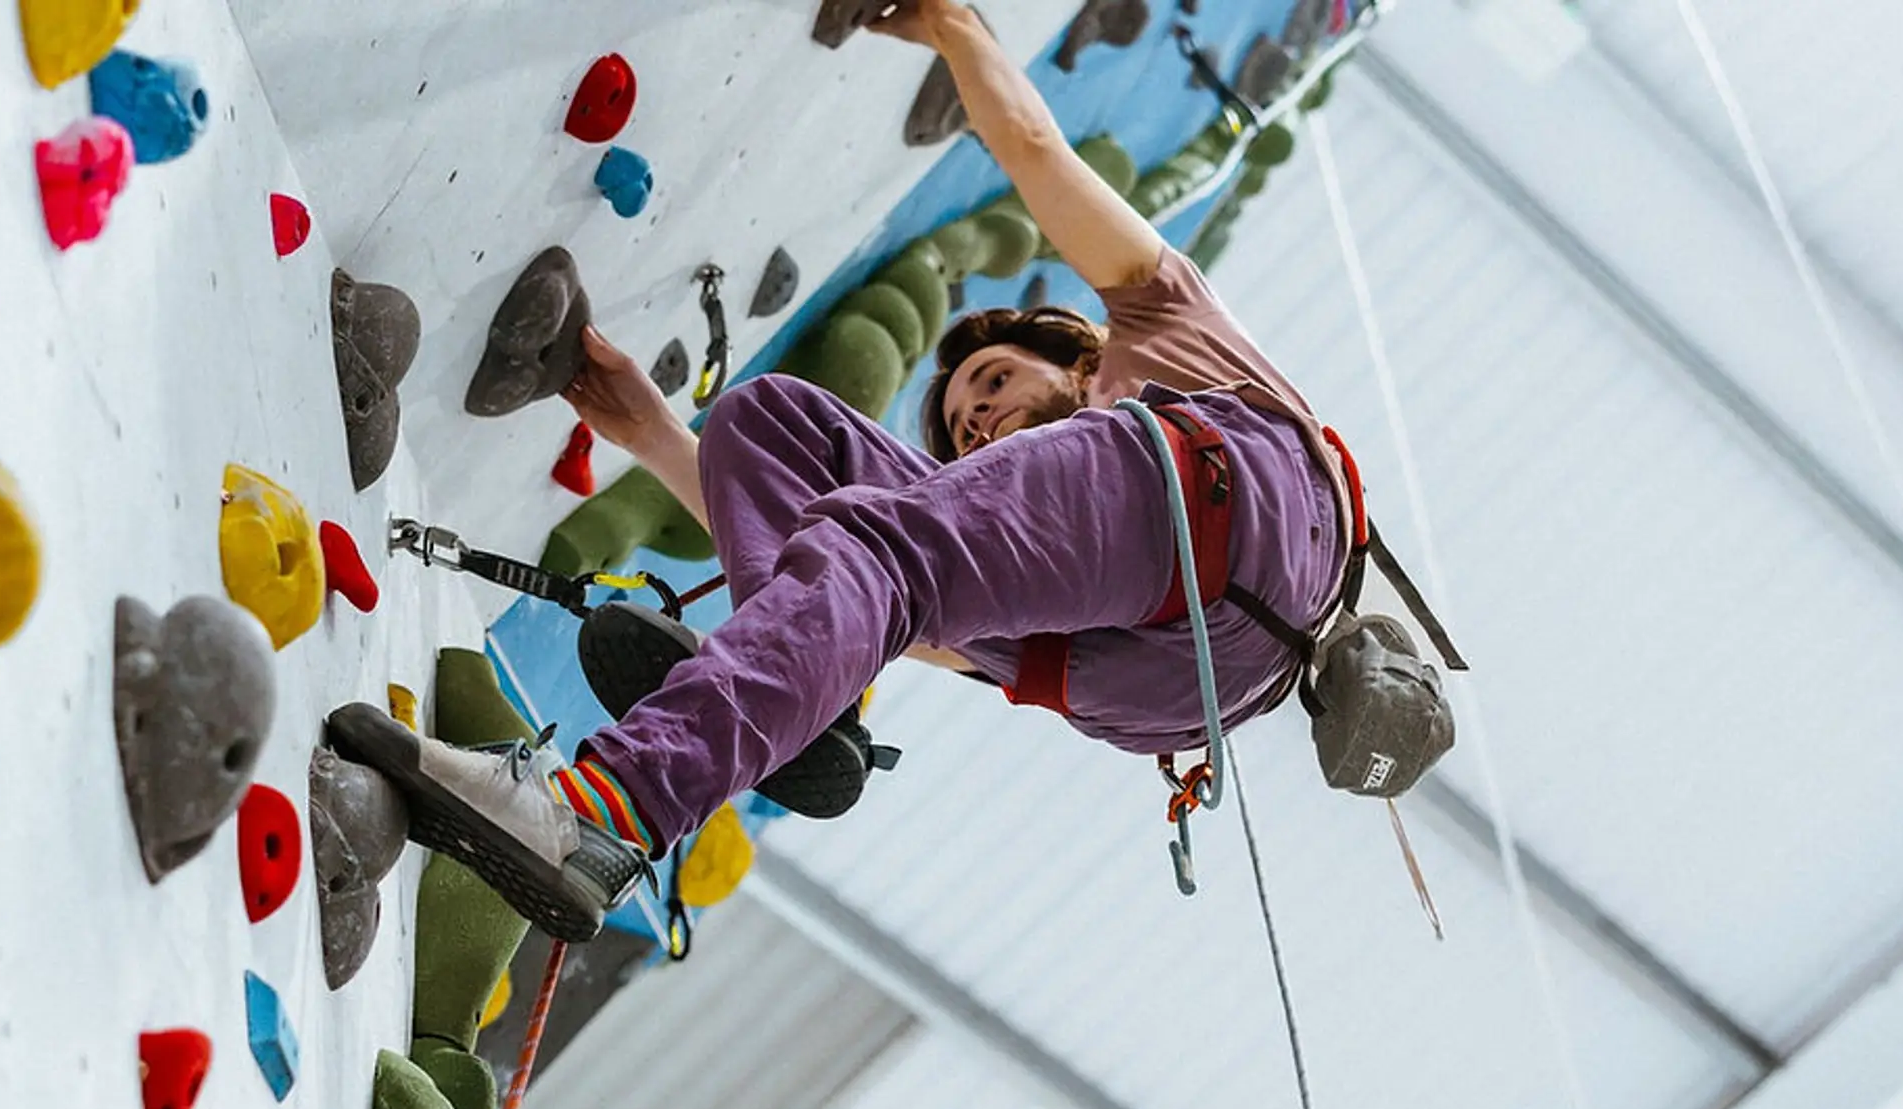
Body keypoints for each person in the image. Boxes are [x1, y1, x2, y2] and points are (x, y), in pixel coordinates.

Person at [325, 0, 1355, 941]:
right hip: (1153, 691)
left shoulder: (1157, 328)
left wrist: (955, 27)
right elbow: (845, 592)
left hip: (1254, 519)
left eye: (992, 382)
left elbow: (1036, 151)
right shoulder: (1033, 538)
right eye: (967, 428)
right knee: (773, 428)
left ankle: (603, 809)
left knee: (887, 553)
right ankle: (807, 705)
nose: (984, 418)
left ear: (1075, 356)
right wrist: (649, 434)